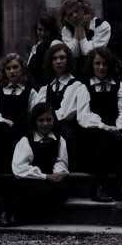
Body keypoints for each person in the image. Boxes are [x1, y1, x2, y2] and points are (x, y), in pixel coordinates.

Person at [76, 47, 122, 202]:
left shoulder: (120, 86)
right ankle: (99, 185)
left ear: (110, 65)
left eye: (104, 64)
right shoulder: (84, 87)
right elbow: (83, 116)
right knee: (104, 138)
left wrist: (117, 127)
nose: (101, 67)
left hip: (117, 133)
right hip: (94, 134)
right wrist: (104, 127)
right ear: (91, 65)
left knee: (118, 139)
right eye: (97, 63)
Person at [0, 102, 69, 226]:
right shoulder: (27, 140)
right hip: (32, 178)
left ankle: (17, 214)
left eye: (49, 119)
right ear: (35, 122)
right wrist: (44, 176)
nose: (45, 124)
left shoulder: (59, 139)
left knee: (57, 192)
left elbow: (61, 160)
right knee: (35, 189)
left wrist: (57, 174)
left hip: (51, 179)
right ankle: (10, 212)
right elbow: (19, 168)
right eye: (41, 120)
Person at [0, 53, 38, 173]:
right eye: (8, 68)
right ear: (4, 71)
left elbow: (36, 113)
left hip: (21, 134)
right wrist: (6, 122)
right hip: (0, 134)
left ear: (22, 69)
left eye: (15, 67)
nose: (12, 71)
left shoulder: (30, 92)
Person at [37, 40, 82, 170]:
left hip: (67, 132)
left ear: (68, 60)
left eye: (62, 57)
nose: (58, 61)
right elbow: (38, 112)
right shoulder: (46, 88)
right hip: (48, 131)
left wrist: (45, 119)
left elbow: (66, 113)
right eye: (54, 58)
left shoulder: (75, 85)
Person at [60, 0, 111, 78]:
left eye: (76, 11)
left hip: (101, 73)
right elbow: (74, 53)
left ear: (84, 10)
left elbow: (88, 52)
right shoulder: (66, 30)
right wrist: (77, 28)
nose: (75, 15)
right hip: (76, 75)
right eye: (70, 14)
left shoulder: (102, 26)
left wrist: (80, 27)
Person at [27, 10, 61, 90]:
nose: (42, 33)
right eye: (40, 29)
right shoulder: (36, 47)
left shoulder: (56, 45)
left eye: (46, 30)